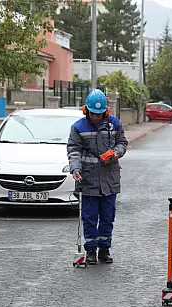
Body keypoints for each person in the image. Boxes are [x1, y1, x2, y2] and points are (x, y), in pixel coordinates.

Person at [67, 89, 128, 265]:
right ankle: (91, 250)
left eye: (99, 114)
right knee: (89, 217)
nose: (96, 117)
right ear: (86, 110)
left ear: (106, 112)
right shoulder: (78, 127)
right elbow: (73, 151)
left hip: (109, 179)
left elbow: (122, 143)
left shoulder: (114, 124)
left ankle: (104, 249)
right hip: (88, 179)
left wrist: (115, 153)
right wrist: (75, 169)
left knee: (108, 216)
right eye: (93, 114)